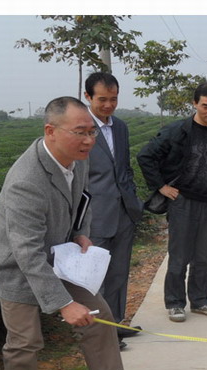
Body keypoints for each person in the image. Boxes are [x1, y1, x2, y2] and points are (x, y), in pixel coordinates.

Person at [0, 96, 150, 370]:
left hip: (57, 255)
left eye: (92, 132)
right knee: (25, 342)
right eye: (80, 132)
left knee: (99, 314)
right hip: (16, 267)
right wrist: (64, 304)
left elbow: (83, 199)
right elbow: (27, 253)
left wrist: (79, 232)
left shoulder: (77, 159)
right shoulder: (26, 181)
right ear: (51, 131)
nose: (89, 140)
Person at [137, 82, 207, 322]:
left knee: (204, 256)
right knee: (179, 255)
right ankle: (175, 303)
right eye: (206, 106)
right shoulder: (177, 131)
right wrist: (161, 186)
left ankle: (200, 300)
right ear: (195, 104)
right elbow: (145, 156)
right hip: (183, 201)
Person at [83, 72, 144, 346]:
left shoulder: (120, 127)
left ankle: (116, 323)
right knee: (96, 278)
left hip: (123, 212)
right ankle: (100, 333)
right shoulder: (81, 128)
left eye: (114, 99)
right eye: (102, 99)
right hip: (94, 216)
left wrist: (133, 200)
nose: (108, 105)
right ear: (88, 97)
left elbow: (124, 167)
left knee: (119, 272)